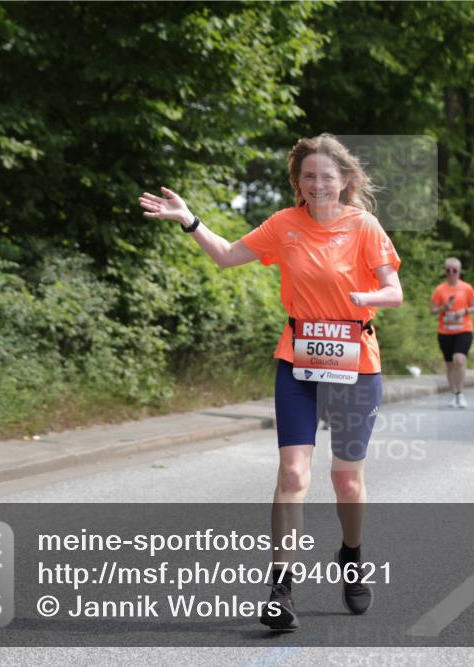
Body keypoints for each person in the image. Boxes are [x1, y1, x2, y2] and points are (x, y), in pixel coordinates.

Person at [139, 134, 403, 631]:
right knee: (293, 476)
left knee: (346, 481)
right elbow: (225, 255)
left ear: (344, 181)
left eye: (328, 176)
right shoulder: (284, 224)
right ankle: (280, 589)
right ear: (298, 183)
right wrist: (189, 220)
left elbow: (395, 290)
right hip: (299, 359)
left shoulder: (364, 226)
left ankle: (351, 554)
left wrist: (366, 298)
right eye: (309, 176)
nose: (319, 184)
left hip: (356, 361)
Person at [430, 257, 474, 407]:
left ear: (459, 271)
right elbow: (432, 310)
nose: (451, 273)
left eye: (454, 270)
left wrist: (464, 311)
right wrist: (444, 308)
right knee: (450, 365)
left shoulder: (467, 288)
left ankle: (461, 393)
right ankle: (454, 394)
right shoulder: (440, 289)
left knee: (459, 359)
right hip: (445, 331)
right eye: (448, 271)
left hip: (463, 329)